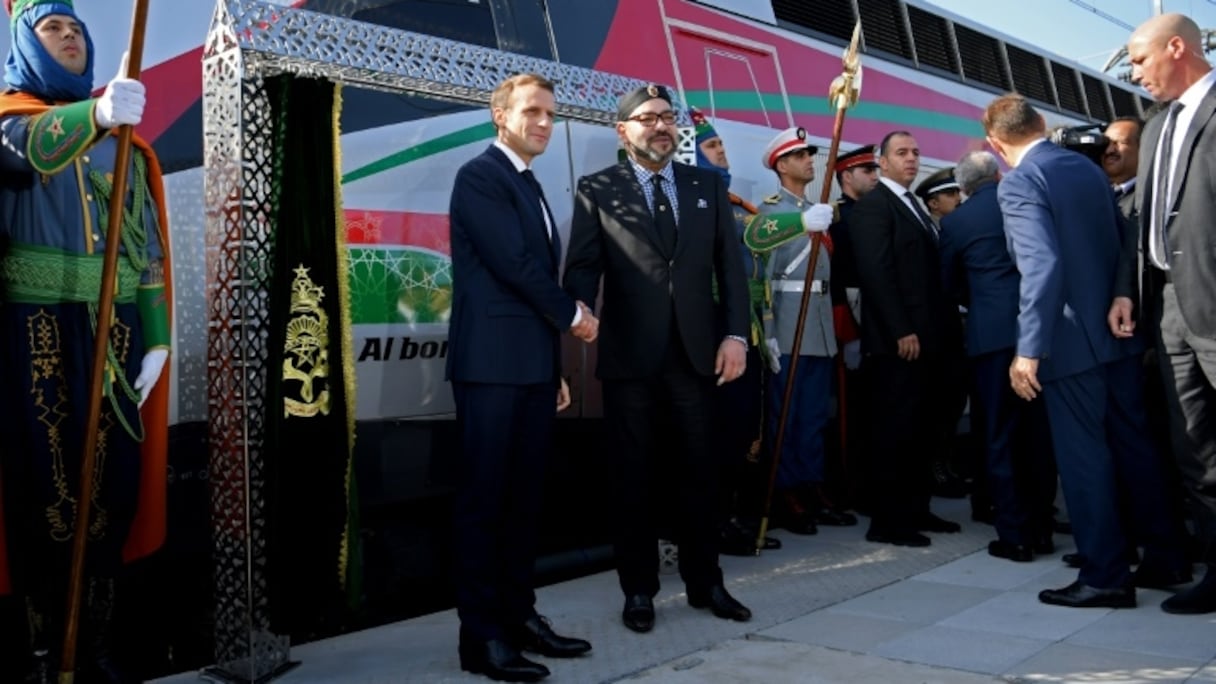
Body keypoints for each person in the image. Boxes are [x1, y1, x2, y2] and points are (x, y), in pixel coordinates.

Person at [0, 1, 172, 681]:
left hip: (115, 325)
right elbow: (24, 149)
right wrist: (95, 115)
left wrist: (155, 335)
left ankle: (94, 647)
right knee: (46, 491)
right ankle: (48, 654)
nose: (69, 37)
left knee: (110, 489)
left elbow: (147, 239)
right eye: (52, 29)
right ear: (25, 45)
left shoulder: (125, 140)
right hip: (35, 327)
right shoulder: (12, 119)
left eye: (76, 29)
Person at [985, 93, 1189, 609]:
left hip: (1070, 342)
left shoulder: (1021, 182)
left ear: (995, 144)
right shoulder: (1086, 170)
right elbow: (1124, 243)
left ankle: (1105, 575)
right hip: (1117, 334)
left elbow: (1042, 267)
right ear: (1043, 124)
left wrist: (1029, 349)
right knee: (1135, 447)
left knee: (1083, 458)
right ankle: (1166, 556)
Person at [564, 84, 752, 634]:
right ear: (623, 131)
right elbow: (582, 266)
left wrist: (736, 335)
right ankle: (639, 591)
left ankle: (706, 583)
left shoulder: (705, 186)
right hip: (629, 359)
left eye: (668, 117)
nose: (661, 126)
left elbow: (730, 270)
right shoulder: (599, 188)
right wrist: (576, 314)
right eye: (647, 118)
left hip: (697, 356)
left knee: (701, 472)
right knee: (633, 478)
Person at [446, 72, 595, 682]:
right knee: (486, 504)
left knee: (523, 504)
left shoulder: (527, 182)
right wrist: (574, 315)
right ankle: (480, 641)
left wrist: (552, 369)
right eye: (532, 111)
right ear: (500, 116)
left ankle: (518, 618)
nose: (543, 122)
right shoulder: (481, 175)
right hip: (489, 369)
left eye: (550, 114)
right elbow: (512, 264)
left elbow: (527, 270)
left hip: (529, 370)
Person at [1113, 12, 1216, 614]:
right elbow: (1141, 222)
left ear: (1176, 47)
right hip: (1168, 307)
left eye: (1140, 58)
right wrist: (1130, 289)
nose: (1135, 71)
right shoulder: (1153, 130)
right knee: (1195, 446)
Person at [939, 150, 1056, 563]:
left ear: (964, 186)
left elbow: (949, 285)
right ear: (997, 175)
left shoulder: (956, 222)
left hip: (990, 341)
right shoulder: (1025, 203)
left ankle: (1015, 536)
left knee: (1000, 437)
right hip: (1039, 335)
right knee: (1038, 436)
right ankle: (1043, 528)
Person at [850, 130, 963, 547]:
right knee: (894, 431)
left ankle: (917, 509)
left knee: (921, 428)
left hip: (930, 340)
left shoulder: (912, 205)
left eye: (915, 152)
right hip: (898, 342)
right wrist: (900, 329)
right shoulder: (874, 208)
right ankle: (889, 520)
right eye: (901, 153)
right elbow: (877, 275)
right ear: (882, 161)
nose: (912, 159)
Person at [742, 127, 856, 534]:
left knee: (813, 416)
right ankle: (786, 491)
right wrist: (768, 331)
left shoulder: (817, 209)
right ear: (782, 164)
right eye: (801, 155)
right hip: (789, 326)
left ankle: (811, 485)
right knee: (785, 416)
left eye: (811, 154)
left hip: (818, 325)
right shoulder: (772, 213)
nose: (811, 160)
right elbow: (764, 278)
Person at [687, 107, 781, 556]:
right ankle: (714, 524)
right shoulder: (693, 208)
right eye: (710, 146)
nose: (721, 151)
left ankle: (737, 518)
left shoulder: (739, 210)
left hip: (750, 339)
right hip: (713, 341)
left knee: (747, 435)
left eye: (722, 144)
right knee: (716, 440)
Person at [914, 167, 972, 501]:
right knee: (940, 404)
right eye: (951, 195)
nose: (957, 200)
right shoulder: (930, 236)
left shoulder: (951, 232)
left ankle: (946, 463)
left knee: (955, 401)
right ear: (934, 203)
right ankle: (935, 466)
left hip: (957, 328)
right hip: (940, 331)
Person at [825, 145, 878, 510]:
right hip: (855, 326)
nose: (874, 176)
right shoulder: (839, 219)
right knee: (852, 413)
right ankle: (850, 487)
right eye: (867, 171)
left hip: (880, 326)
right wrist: (850, 333)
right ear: (847, 177)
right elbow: (842, 277)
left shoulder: (876, 214)